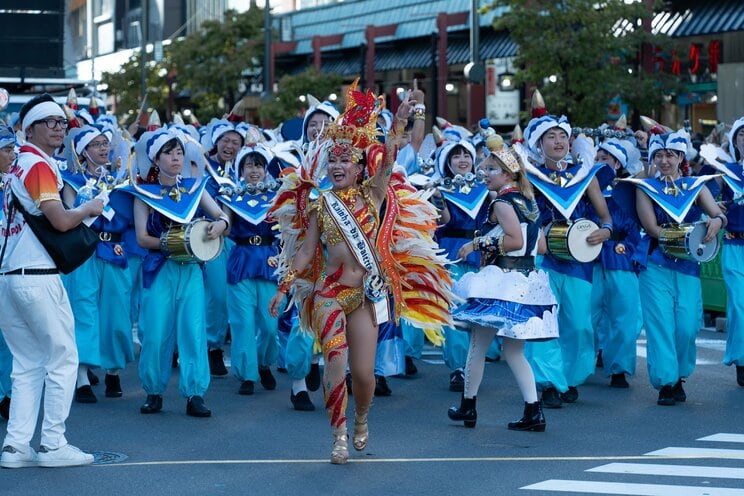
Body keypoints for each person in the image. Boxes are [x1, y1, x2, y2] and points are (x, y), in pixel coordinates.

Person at [269, 80, 454, 464]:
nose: (337, 166)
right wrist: (286, 285)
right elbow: (305, 250)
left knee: (365, 375)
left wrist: (399, 125)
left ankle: (362, 417)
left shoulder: (374, 193)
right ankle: (337, 435)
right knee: (334, 359)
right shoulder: (322, 205)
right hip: (329, 292)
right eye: (332, 161)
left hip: (366, 294)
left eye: (344, 161)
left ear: (357, 167)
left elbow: (388, 157)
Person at [0, 94, 101, 468]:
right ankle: (53, 444)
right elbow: (59, 220)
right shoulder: (36, 165)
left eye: (63, 123)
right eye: (52, 122)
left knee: (26, 363)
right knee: (62, 359)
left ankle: (15, 446)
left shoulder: (13, 166)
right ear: (31, 128)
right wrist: (88, 209)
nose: (60, 128)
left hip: (8, 277)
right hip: (37, 276)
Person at [447, 147, 558, 431]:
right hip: (526, 279)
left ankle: (468, 407)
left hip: (501, 282)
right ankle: (534, 411)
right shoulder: (529, 202)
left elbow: (513, 240)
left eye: (491, 170)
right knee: (513, 352)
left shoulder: (502, 202)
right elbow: (540, 246)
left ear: (508, 174)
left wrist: (478, 244)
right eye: (484, 169)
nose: (484, 174)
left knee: (478, 345)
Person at [127, 128, 229, 417]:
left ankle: (195, 393)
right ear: (155, 159)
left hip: (192, 269)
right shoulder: (144, 193)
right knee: (157, 331)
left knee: (193, 330)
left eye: (179, 152)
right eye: (169, 153)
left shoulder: (195, 189)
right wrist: (174, 242)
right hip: (160, 268)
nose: (176, 157)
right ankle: (153, 391)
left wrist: (219, 226)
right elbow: (141, 238)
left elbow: (222, 217)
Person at [521, 114, 613, 408]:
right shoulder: (529, 175)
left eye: (562, 136)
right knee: (544, 321)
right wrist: (536, 236)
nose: (558, 141)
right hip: (544, 258)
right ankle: (547, 382)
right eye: (551, 136)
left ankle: (570, 378)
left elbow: (605, 215)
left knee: (579, 324)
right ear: (539, 143)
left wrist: (606, 230)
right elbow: (524, 214)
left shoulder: (584, 175)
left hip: (579, 260)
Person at [629, 131, 724, 405]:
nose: (664, 160)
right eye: (658, 155)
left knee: (686, 326)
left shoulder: (696, 185)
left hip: (688, 267)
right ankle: (666, 382)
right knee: (660, 324)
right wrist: (680, 237)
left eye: (670, 154)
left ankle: (680, 375)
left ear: (681, 156)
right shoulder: (645, 188)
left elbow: (718, 215)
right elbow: (651, 228)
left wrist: (717, 222)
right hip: (655, 264)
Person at [60, 125, 135, 403]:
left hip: (114, 248)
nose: (104, 148)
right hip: (85, 249)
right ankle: (81, 378)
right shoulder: (70, 180)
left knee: (116, 311)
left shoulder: (121, 179)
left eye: (105, 143)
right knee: (84, 310)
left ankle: (113, 372)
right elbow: (69, 213)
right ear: (83, 152)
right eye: (96, 145)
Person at [218, 144, 281, 396]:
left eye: (258, 165)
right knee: (242, 321)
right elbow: (224, 224)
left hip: (268, 261)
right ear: (240, 169)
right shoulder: (231, 195)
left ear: (265, 169)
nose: (253, 170)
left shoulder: (277, 196)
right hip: (241, 259)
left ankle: (264, 363)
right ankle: (246, 373)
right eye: (248, 165)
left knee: (269, 324)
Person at [429, 139, 491, 391]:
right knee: (453, 312)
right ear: (447, 162)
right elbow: (442, 222)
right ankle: (458, 368)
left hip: (481, 254)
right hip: (452, 254)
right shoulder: (439, 188)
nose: (463, 159)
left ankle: (474, 363)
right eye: (456, 156)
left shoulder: (485, 187)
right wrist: (439, 199)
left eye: (466, 155)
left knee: (477, 313)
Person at [590, 138, 644, 389]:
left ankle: (619, 368)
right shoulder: (585, 186)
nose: (600, 163)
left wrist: (631, 252)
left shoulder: (630, 190)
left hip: (620, 257)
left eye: (606, 159)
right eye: (597, 158)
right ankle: (581, 362)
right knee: (585, 315)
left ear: (618, 163)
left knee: (623, 316)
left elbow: (638, 225)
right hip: (589, 255)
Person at [0, 124, 16, 421]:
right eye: (6, 149)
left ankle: (8, 394)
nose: (13, 154)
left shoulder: (14, 184)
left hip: (11, 269)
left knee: (9, 337)